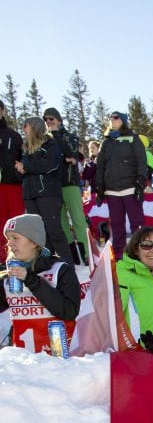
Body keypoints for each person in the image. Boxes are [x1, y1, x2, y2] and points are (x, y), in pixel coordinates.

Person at [0, 213, 80, 351]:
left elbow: (69, 311)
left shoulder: (60, 269)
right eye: (8, 238)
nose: (9, 243)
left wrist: (32, 280)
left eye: (15, 237)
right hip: (22, 361)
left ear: (34, 242)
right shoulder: (9, 275)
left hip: (59, 359)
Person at [15, 116, 73, 264]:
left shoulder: (50, 143)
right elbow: (26, 172)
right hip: (30, 194)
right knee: (40, 234)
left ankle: (68, 266)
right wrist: (19, 170)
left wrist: (26, 167)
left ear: (34, 127)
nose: (23, 129)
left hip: (48, 194)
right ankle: (48, 266)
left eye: (25, 125)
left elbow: (50, 165)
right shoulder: (26, 147)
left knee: (54, 231)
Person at [95, 111, 147, 260]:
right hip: (112, 191)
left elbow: (141, 161)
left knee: (137, 225)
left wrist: (140, 182)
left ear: (123, 121)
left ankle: (141, 253)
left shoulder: (133, 139)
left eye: (116, 118)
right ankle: (119, 256)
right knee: (117, 226)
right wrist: (100, 188)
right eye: (110, 118)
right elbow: (100, 166)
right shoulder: (106, 142)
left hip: (130, 188)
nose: (112, 120)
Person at [43, 107, 88, 264]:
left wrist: (56, 134)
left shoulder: (70, 137)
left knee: (78, 219)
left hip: (70, 183)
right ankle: (72, 256)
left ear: (58, 119)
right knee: (61, 222)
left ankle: (87, 255)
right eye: (46, 120)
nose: (49, 122)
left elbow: (70, 153)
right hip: (53, 186)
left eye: (51, 119)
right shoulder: (45, 140)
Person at [0, 100, 25, 264]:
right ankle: (2, 259)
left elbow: (23, 160)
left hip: (14, 186)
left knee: (16, 223)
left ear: (2, 111)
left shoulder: (13, 135)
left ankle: (19, 257)